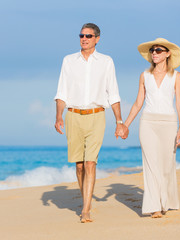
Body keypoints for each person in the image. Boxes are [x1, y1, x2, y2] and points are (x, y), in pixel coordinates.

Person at [54, 23, 128, 223]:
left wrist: (119, 121)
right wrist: (59, 116)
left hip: (97, 116)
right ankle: (86, 198)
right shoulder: (69, 61)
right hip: (73, 116)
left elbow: (113, 94)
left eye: (88, 35)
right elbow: (61, 92)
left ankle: (85, 209)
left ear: (97, 38)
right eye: (81, 35)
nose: (84, 38)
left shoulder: (106, 61)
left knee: (90, 163)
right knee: (79, 166)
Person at [120, 38, 180, 218]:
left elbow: (179, 103)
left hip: (169, 124)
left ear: (167, 53)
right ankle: (155, 206)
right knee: (150, 165)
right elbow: (138, 102)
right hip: (147, 122)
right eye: (152, 51)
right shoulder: (144, 75)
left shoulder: (176, 76)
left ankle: (165, 201)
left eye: (158, 50)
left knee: (166, 166)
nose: (154, 53)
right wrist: (125, 124)